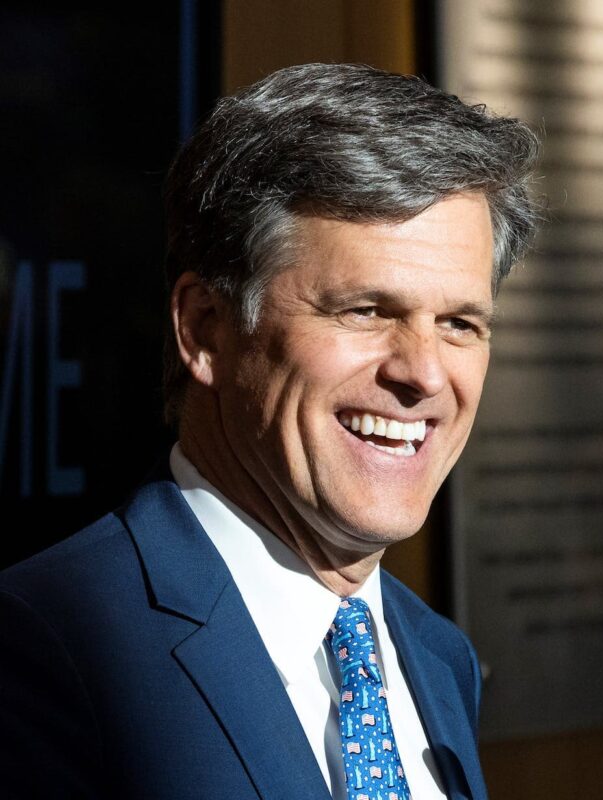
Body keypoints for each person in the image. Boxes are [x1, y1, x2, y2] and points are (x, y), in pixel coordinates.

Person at [0, 63, 539, 799]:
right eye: (366, 310)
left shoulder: (439, 660)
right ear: (205, 327)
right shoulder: (48, 645)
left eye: (459, 324)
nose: (424, 373)